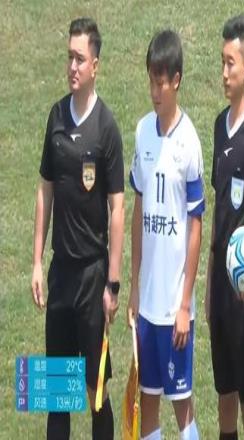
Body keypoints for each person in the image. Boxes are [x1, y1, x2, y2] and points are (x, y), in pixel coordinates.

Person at [31, 17, 124, 440]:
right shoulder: (55, 116)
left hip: (92, 277)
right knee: (57, 394)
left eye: (80, 59)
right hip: (61, 274)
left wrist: (113, 284)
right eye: (69, 57)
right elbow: (45, 190)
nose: (72, 66)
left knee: (95, 391)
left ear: (95, 66)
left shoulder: (106, 127)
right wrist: (37, 262)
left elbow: (117, 207)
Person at [127, 29, 204, 440]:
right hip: (147, 305)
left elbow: (196, 225)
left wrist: (184, 304)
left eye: (161, 83)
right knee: (149, 402)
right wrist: (134, 288)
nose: (155, 92)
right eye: (150, 82)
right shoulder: (142, 132)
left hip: (174, 306)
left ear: (176, 80)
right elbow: (139, 209)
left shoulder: (189, 142)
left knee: (183, 404)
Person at [205, 15, 244, 440]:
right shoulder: (218, 126)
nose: (224, 72)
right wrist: (210, 284)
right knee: (224, 395)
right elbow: (218, 210)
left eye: (231, 63)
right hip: (220, 291)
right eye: (222, 62)